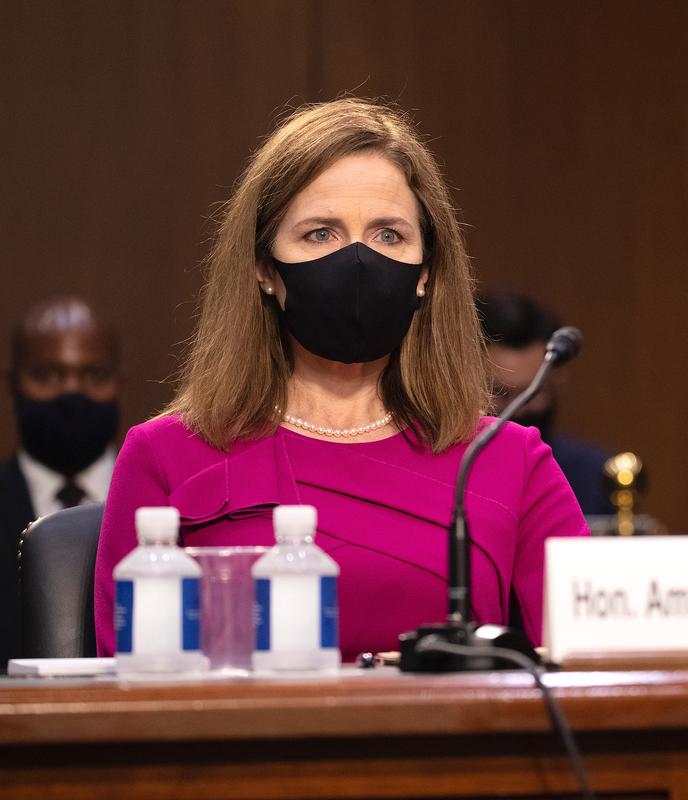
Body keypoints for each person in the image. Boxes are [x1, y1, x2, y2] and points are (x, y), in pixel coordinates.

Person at [93, 99, 589, 662]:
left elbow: (594, 659)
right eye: (321, 234)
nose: (358, 259)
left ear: (426, 273)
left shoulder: (510, 461)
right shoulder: (165, 455)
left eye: (389, 235)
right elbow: (128, 692)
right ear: (263, 269)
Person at [2, 296, 120, 667]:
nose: (73, 393)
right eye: (48, 376)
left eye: (94, 376)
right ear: (13, 384)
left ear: (119, 383)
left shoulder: (160, 501)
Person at [477, 291, 615, 516]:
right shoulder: (450, 473)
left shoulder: (595, 477)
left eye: (532, 394)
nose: (519, 409)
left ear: (558, 381)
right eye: (500, 393)